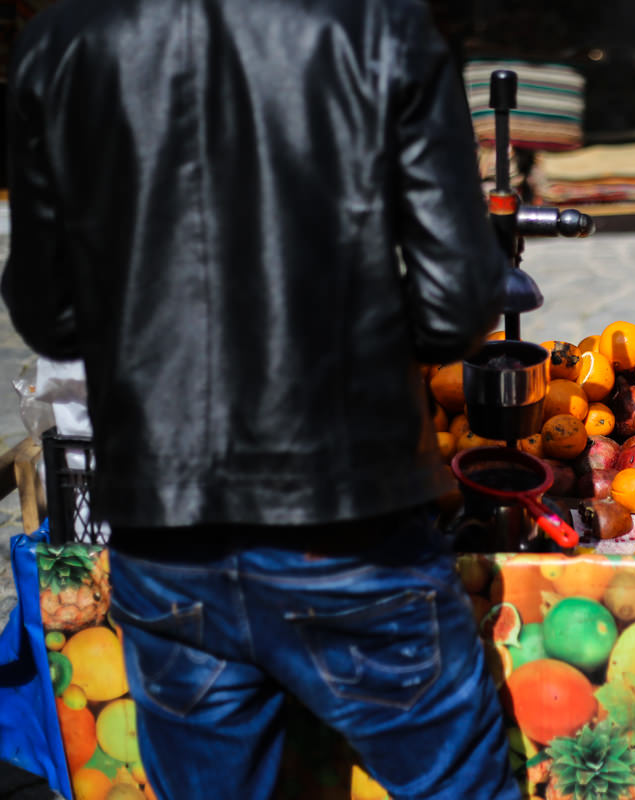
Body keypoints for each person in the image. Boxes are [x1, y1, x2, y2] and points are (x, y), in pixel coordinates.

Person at [1, 1, 522, 798]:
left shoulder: (62, 41)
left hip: (166, 532)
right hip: (351, 527)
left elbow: (47, 312)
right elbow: (457, 302)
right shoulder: (382, 27)